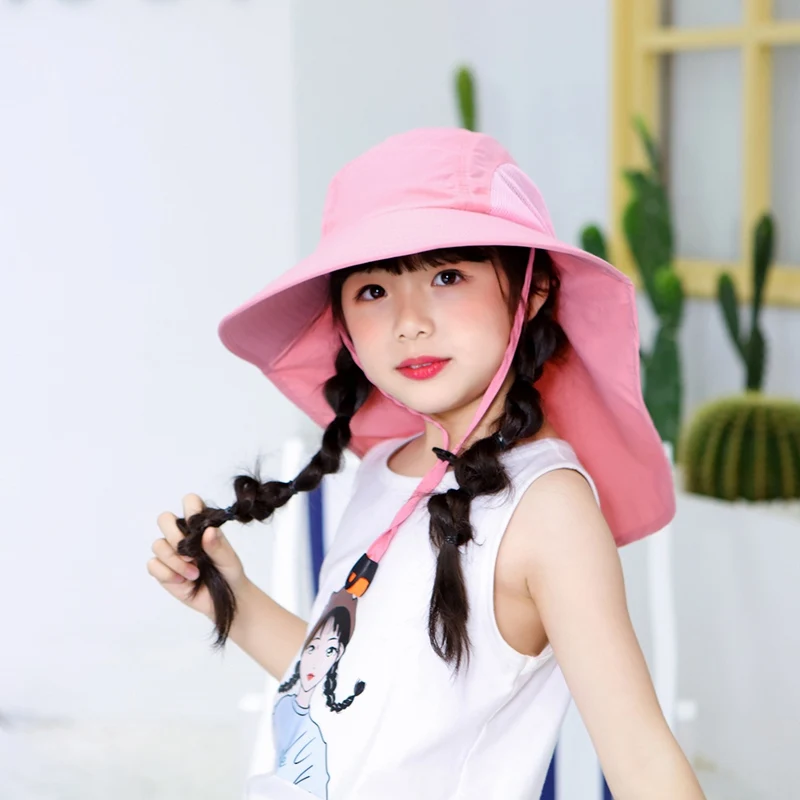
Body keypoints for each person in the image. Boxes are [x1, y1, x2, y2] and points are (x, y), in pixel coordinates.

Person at [148, 127, 706, 799]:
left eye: (447, 276)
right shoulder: (386, 468)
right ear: (343, 323)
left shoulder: (547, 509)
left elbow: (643, 763)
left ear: (531, 290)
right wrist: (230, 600)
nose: (409, 321)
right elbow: (349, 697)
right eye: (372, 291)